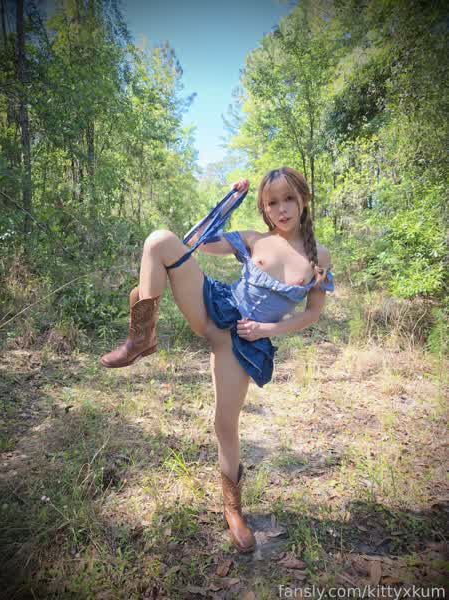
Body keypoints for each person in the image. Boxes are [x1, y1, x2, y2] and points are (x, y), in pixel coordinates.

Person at [99, 166, 334, 554]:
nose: (282, 209)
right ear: (263, 208)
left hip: (241, 342)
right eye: (272, 202)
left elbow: (312, 314)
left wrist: (266, 329)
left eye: (289, 199)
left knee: (225, 423)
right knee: (160, 241)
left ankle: (233, 510)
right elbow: (195, 242)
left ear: (303, 199)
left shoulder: (318, 256)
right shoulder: (255, 239)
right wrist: (228, 202)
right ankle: (141, 337)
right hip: (214, 306)